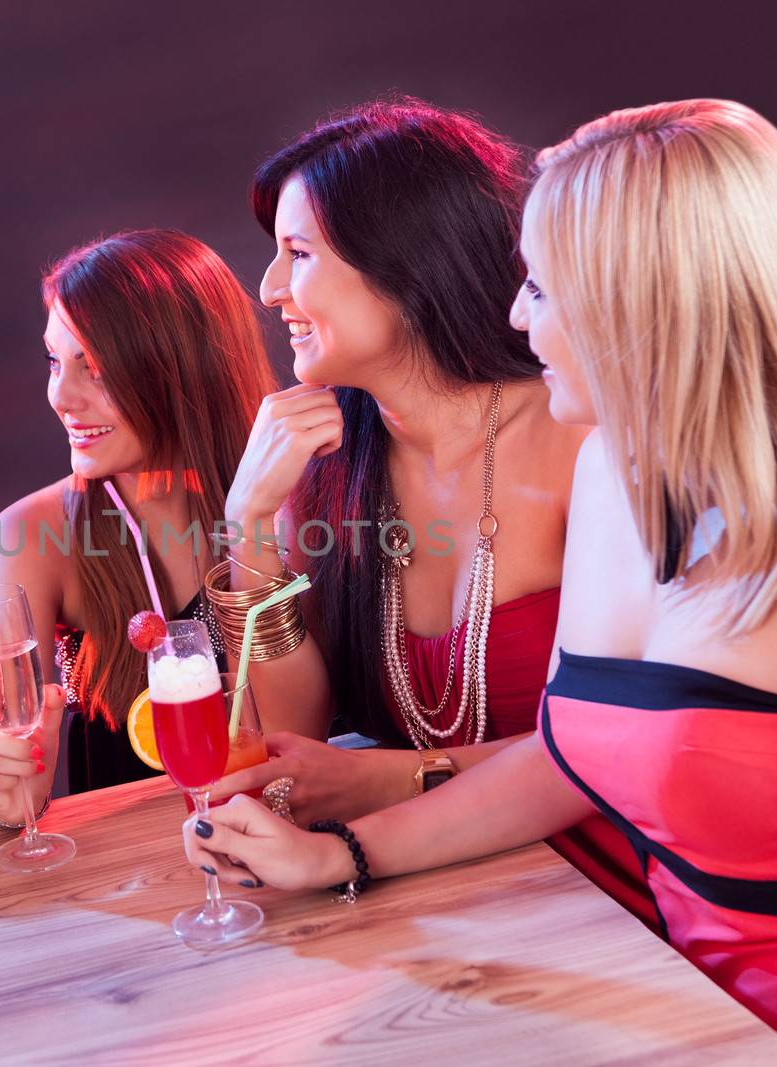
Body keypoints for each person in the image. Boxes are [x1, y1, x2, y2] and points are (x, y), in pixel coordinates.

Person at [185, 99, 777, 1065]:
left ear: (646, 300)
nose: (510, 315)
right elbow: (575, 754)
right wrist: (343, 856)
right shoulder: (619, 485)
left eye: (542, 286)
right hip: (691, 1010)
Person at [209, 98, 652, 925]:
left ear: (406, 263)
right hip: (426, 890)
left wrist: (389, 776)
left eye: (297, 253)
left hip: (610, 893)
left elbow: (634, 740)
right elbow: (289, 742)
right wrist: (248, 525)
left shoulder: (584, 443)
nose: (269, 290)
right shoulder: (329, 463)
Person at [0, 230, 276, 826]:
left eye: (94, 369)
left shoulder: (292, 500)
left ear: (184, 369)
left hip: (288, 849)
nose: (61, 397)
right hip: (129, 881)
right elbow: (9, 781)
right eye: (54, 361)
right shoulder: (25, 535)